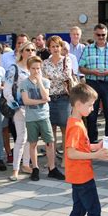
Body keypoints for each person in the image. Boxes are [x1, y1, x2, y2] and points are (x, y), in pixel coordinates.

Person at [60, 83, 108, 216]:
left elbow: (79, 147)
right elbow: (71, 153)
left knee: (78, 211)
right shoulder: (76, 125)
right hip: (82, 176)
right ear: (78, 105)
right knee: (95, 212)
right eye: (90, 105)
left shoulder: (76, 121)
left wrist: (95, 146)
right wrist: (96, 154)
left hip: (77, 175)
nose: (93, 108)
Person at [20, 56, 65, 181]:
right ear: (29, 69)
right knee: (33, 143)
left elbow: (47, 95)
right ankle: (35, 168)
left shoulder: (45, 81)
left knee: (50, 142)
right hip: (31, 118)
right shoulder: (24, 83)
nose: (36, 71)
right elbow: (26, 101)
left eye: (38, 68)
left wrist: (39, 82)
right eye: (33, 68)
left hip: (44, 116)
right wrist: (42, 100)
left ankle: (52, 168)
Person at [79, 23, 108, 143]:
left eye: (103, 35)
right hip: (92, 83)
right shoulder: (87, 49)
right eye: (98, 35)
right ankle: (92, 141)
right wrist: (92, 72)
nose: (101, 37)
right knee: (91, 114)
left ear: (107, 34)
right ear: (94, 35)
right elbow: (81, 67)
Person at [4, 41, 34, 181]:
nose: (30, 52)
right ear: (21, 52)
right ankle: (15, 169)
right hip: (19, 107)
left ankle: (26, 165)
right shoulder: (13, 68)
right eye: (27, 49)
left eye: (33, 50)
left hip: (33, 108)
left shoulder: (34, 68)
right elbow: (7, 90)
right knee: (21, 138)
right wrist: (14, 105)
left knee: (30, 138)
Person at [42, 36, 73, 167]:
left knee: (65, 130)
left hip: (63, 98)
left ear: (61, 47)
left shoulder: (66, 60)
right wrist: (52, 78)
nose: (55, 49)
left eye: (57, 46)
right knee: (50, 131)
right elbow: (43, 79)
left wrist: (50, 77)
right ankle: (52, 159)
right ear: (49, 48)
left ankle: (66, 158)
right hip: (49, 99)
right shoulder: (44, 63)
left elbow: (66, 75)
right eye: (53, 46)